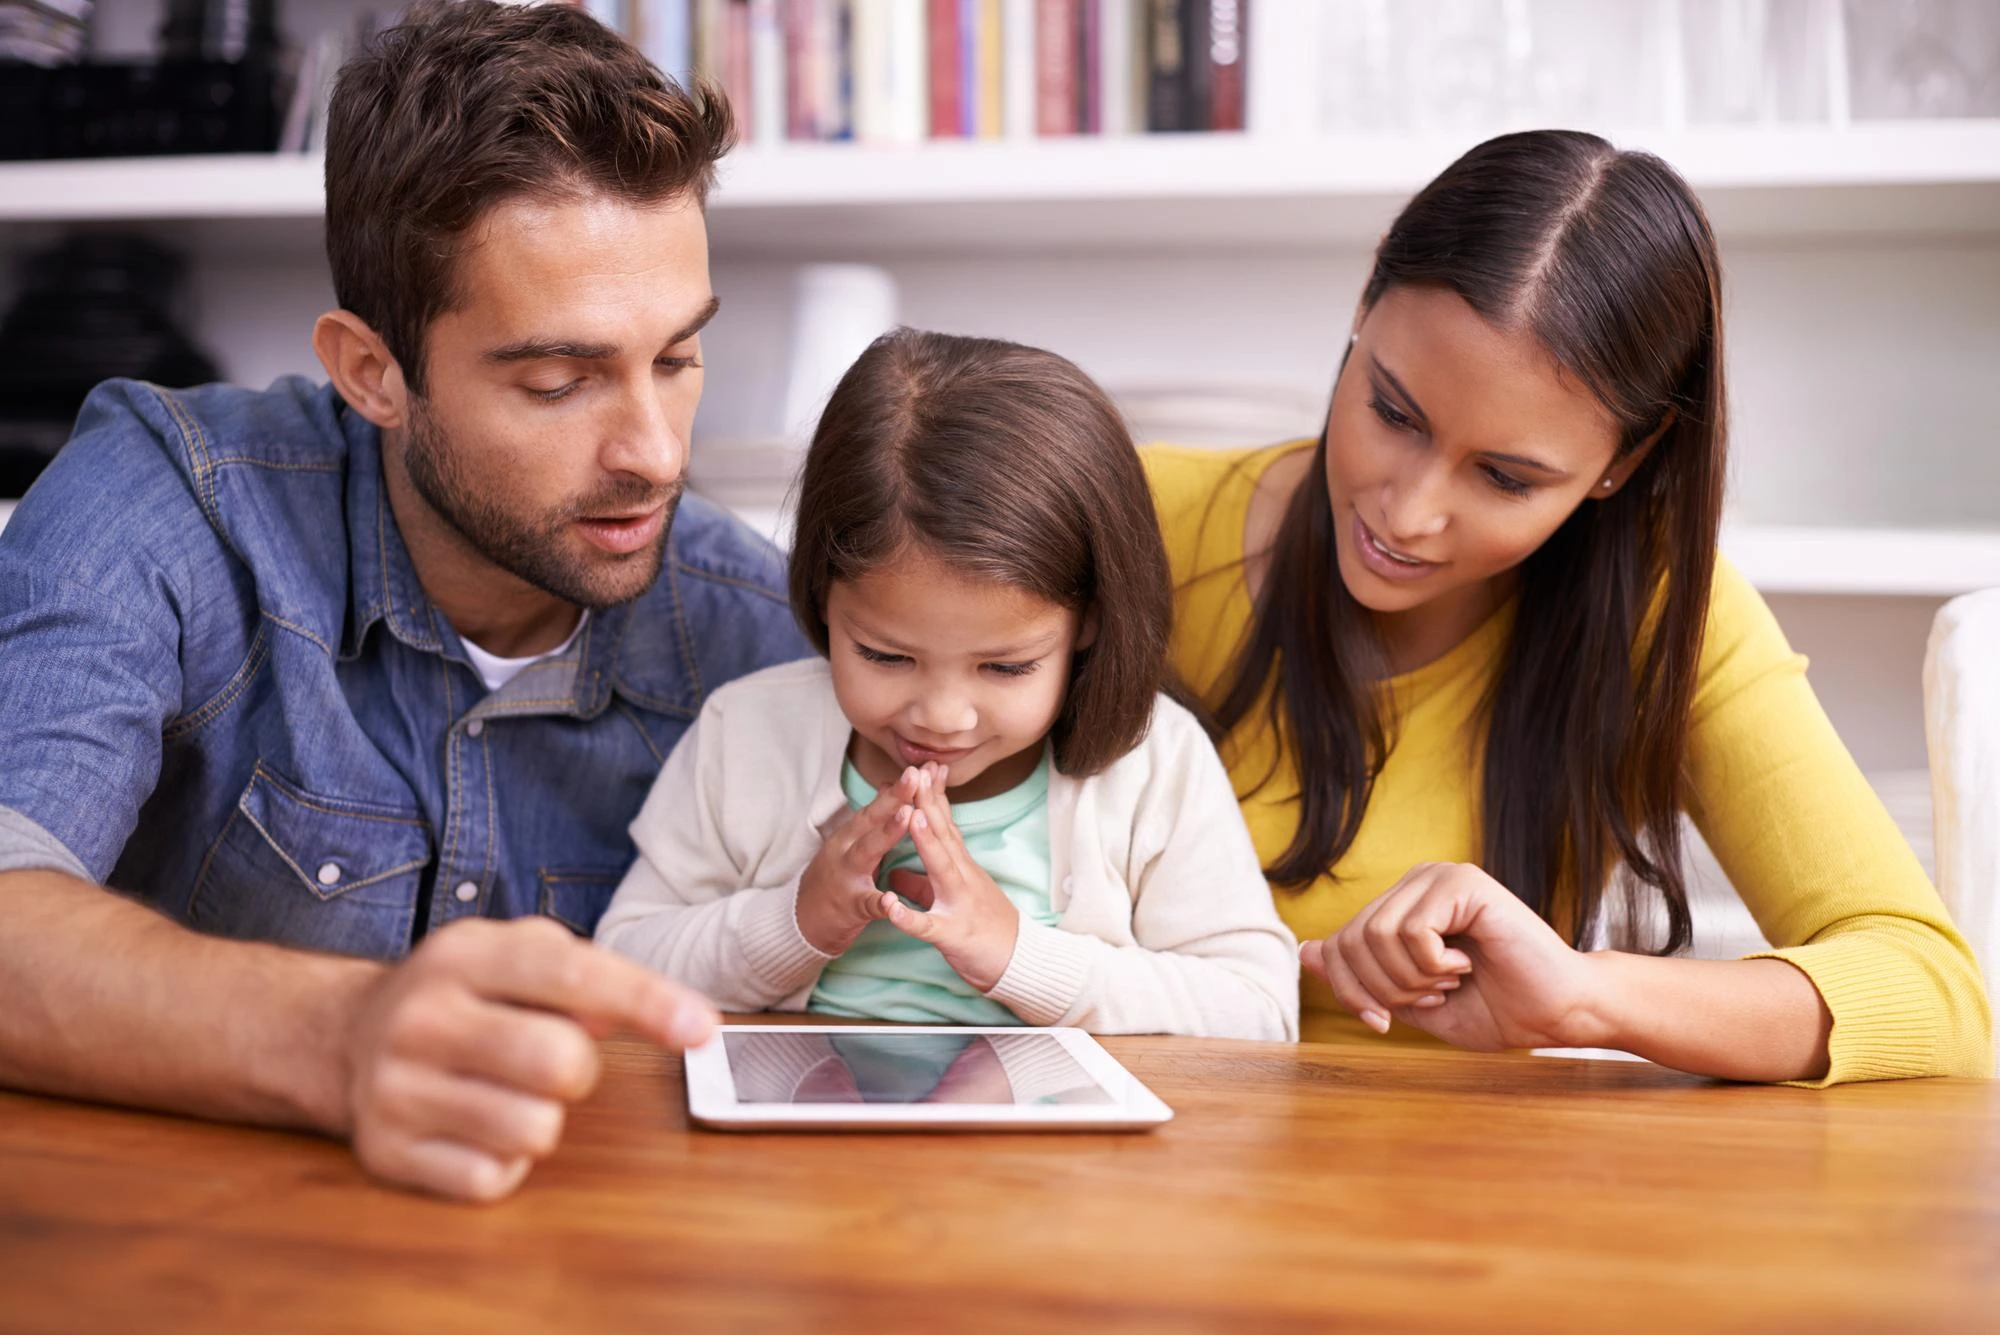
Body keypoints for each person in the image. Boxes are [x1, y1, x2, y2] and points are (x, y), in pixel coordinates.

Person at [0, 0, 809, 1201]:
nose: (652, 450)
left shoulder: (753, 636)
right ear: (371, 372)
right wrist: (337, 1034)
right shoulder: (164, 498)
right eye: (556, 380)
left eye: (677, 358)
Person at [1146, 129, 1992, 1084]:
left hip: (1454, 1200)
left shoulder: (1664, 614)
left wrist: (1584, 993)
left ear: (1622, 463)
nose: (1409, 512)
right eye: (1392, 411)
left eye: (1506, 478)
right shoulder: (1135, 521)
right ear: (1365, 298)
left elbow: (1934, 995)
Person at [595, 329, 1299, 1041]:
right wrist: (795, 920)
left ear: (1087, 621)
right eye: (885, 656)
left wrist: (1018, 953)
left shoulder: (1154, 764)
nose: (941, 716)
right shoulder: (745, 732)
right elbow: (618, 964)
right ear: (823, 598)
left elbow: (1260, 1012)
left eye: (1005, 667)